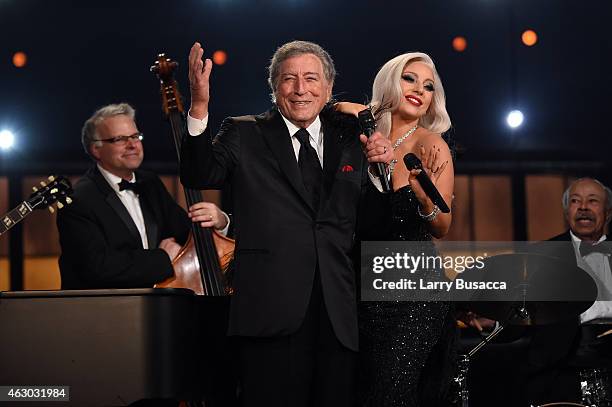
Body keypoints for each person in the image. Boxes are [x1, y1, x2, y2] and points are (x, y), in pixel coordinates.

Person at [180, 40, 393, 407]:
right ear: (274, 86)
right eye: (289, 79)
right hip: (269, 312)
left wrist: (382, 169)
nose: (300, 89)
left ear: (328, 88)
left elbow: (372, 222)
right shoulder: (243, 132)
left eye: (311, 79)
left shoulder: (352, 140)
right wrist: (199, 106)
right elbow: (200, 172)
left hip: (337, 315)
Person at [337, 52, 456, 406]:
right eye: (409, 79)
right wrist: (371, 120)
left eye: (429, 86)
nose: (420, 90)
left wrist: (421, 197)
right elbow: (334, 107)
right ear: (390, 82)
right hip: (356, 286)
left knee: (391, 395)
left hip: (410, 294)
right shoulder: (358, 132)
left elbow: (442, 226)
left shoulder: (432, 145)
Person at [57, 102, 229, 289]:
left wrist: (220, 222)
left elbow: (184, 230)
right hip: (102, 310)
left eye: (135, 136)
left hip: (153, 306)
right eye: (120, 139)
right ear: (95, 149)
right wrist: (163, 258)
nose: (132, 145)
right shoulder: (78, 199)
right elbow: (97, 267)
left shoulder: (149, 182)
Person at [526, 177, 612, 405]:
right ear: (566, 212)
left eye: (592, 201)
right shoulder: (542, 254)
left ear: (608, 213)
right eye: (575, 201)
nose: (583, 206)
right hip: (561, 369)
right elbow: (527, 309)